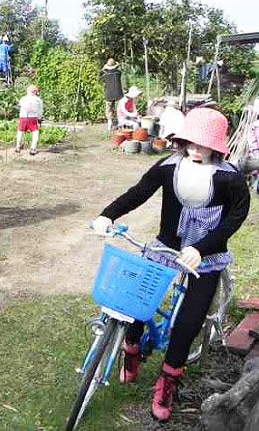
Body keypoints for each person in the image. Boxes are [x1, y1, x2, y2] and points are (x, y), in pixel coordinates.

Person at [92, 107, 250, 422]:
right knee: (135, 301)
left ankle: (167, 380)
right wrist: (107, 214)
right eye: (189, 142)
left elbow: (237, 216)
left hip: (206, 256)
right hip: (166, 246)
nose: (194, 149)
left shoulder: (230, 179)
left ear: (216, 145)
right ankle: (132, 350)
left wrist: (203, 249)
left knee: (189, 321)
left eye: (202, 144)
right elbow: (139, 192)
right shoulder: (168, 166)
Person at [15, 85, 43, 155]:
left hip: (23, 117)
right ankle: (33, 149)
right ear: (35, 92)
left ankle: (17, 147)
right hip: (32, 118)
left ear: (28, 91)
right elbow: (40, 110)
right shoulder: (38, 100)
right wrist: (39, 119)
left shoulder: (23, 99)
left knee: (20, 131)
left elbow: (20, 106)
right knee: (35, 132)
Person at [100, 58, 124, 132]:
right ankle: (121, 124)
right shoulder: (118, 73)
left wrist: (104, 70)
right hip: (118, 94)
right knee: (119, 109)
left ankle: (110, 123)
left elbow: (101, 79)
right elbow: (119, 69)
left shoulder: (105, 75)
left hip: (109, 94)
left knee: (109, 109)